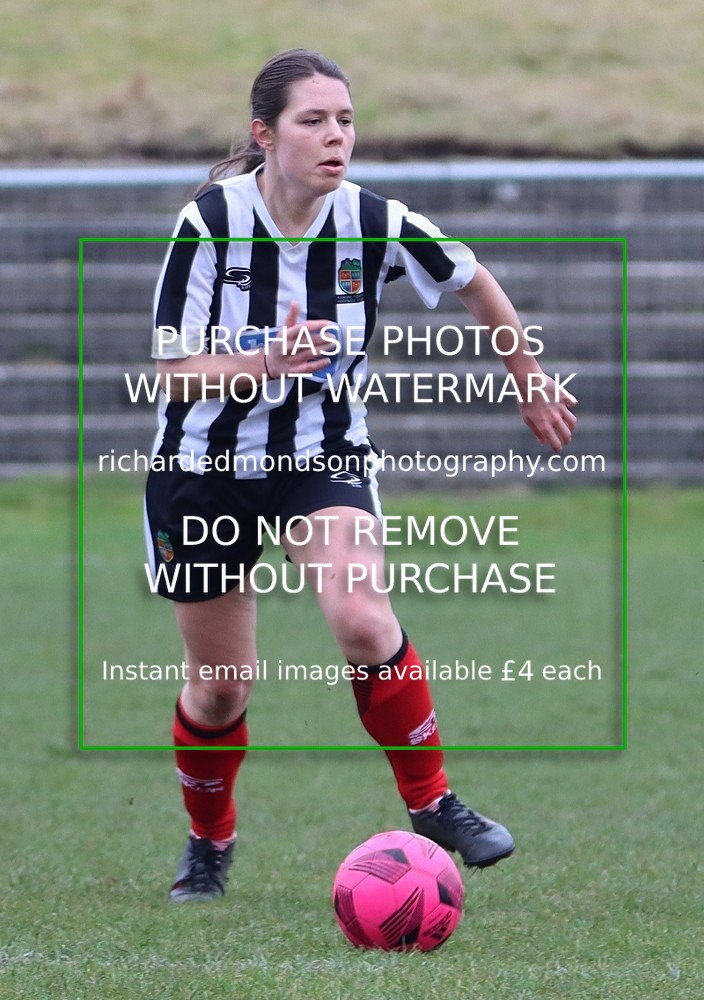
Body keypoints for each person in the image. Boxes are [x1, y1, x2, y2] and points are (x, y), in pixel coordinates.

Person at [145, 48, 577, 902]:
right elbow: (171, 372)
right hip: (205, 469)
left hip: (322, 454)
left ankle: (435, 803)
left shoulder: (375, 219)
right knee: (221, 688)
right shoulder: (209, 223)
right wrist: (266, 358)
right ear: (265, 135)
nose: (335, 135)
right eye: (313, 120)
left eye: (345, 120)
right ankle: (209, 842)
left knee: (359, 613)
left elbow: (475, 281)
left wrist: (528, 379)